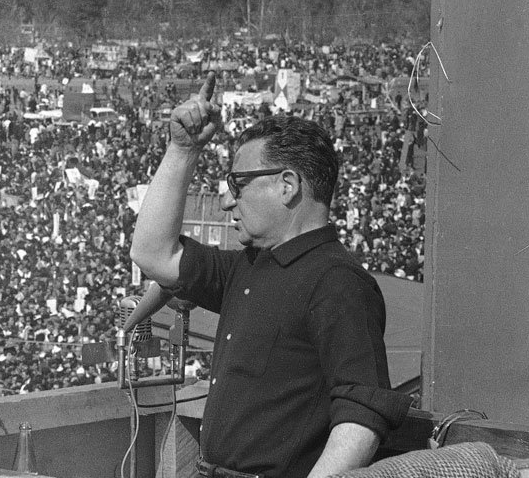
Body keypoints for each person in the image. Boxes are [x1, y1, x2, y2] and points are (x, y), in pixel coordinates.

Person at [124, 73, 411, 478]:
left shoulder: (338, 283)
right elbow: (152, 253)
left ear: (288, 185)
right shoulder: (249, 265)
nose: (227, 200)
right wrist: (182, 149)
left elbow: (362, 413)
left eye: (238, 184)